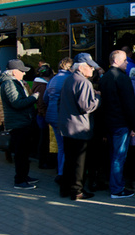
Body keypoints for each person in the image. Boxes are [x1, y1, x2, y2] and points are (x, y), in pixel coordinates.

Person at [57, 55, 100, 199]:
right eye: (90, 66)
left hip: (68, 126)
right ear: (81, 67)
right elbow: (86, 106)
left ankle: (65, 189)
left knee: (69, 160)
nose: (93, 69)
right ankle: (77, 191)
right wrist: (97, 99)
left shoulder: (69, 79)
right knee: (79, 163)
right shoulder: (84, 82)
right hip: (79, 128)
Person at [98, 50, 135, 199]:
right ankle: (116, 189)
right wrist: (134, 126)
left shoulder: (105, 78)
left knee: (113, 155)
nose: (127, 63)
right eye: (125, 60)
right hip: (121, 124)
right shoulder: (123, 79)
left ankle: (114, 184)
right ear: (117, 61)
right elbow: (129, 105)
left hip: (108, 123)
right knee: (119, 157)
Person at [0, 59, 40, 190]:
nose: (23, 74)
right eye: (21, 71)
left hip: (22, 122)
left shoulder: (13, 82)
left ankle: (24, 176)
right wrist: (34, 97)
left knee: (23, 152)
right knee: (21, 153)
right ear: (14, 72)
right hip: (19, 124)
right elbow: (17, 103)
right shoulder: (9, 84)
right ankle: (20, 180)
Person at [45, 56, 78, 184]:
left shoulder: (53, 79)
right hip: (62, 116)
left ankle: (60, 172)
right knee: (66, 147)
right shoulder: (69, 79)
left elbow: (45, 98)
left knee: (60, 146)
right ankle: (64, 173)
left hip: (51, 115)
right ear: (70, 68)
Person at [32, 65, 54, 169]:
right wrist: (45, 115)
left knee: (43, 139)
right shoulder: (43, 86)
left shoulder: (37, 84)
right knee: (44, 140)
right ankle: (43, 161)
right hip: (43, 116)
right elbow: (42, 103)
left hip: (40, 115)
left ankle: (43, 160)